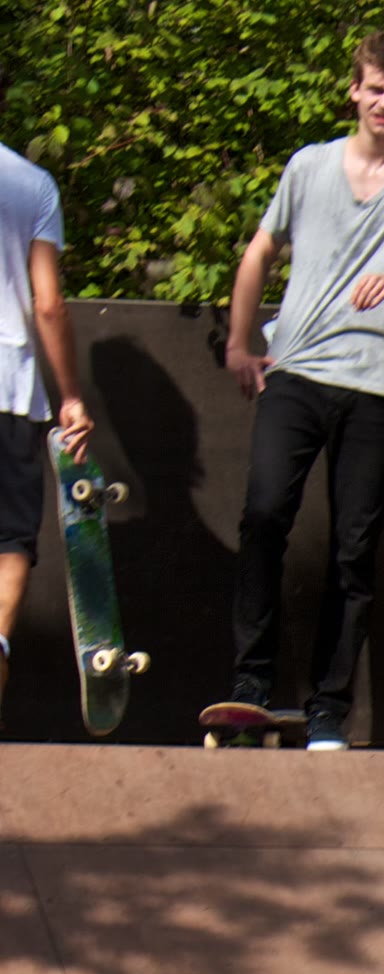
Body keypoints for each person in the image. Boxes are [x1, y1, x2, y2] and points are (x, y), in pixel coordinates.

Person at [224, 31, 384, 750]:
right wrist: (239, 343)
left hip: (375, 381)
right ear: (354, 90)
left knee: (353, 550)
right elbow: (261, 250)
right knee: (265, 514)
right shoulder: (310, 165)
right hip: (295, 370)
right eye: (375, 89)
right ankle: (249, 687)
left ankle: (328, 710)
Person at [0, 71, 93, 721]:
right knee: (7, 541)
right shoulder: (32, 184)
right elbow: (49, 304)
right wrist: (71, 397)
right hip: (9, 388)